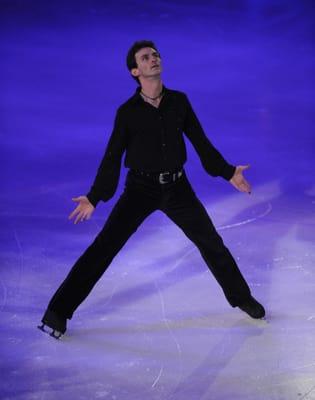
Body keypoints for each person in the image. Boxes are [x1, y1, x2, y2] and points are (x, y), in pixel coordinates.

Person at [38, 40, 265, 339]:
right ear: (135, 71)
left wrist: (227, 172)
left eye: (156, 55)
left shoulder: (179, 102)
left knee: (212, 243)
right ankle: (57, 312)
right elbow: (112, 156)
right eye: (145, 58)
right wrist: (95, 196)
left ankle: (241, 298)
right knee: (104, 247)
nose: (153, 59)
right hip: (140, 189)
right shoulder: (127, 112)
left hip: (177, 187)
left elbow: (200, 142)